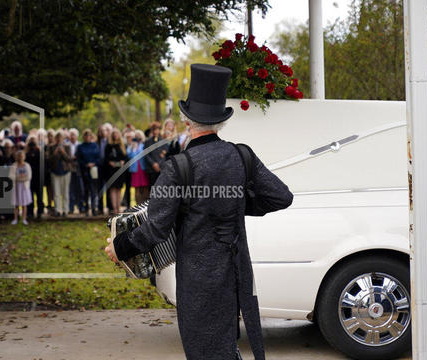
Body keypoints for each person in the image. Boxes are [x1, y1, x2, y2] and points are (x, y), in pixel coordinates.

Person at [106, 64, 294, 360]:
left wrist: (120, 246)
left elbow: (156, 228)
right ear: (220, 120)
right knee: (225, 347)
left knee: (205, 350)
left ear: (186, 121)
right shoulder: (242, 155)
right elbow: (281, 197)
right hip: (236, 273)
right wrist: (235, 205)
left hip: (198, 279)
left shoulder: (178, 167)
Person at [75, 129, 100, 216]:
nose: (87, 137)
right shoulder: (80, 147)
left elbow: (98, 157)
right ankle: (86, 209)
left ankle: (93, 209)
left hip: (94, 170)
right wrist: (86, 164)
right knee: (85, 191)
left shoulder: (95, 146)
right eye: (85, 136)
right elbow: (78, 159)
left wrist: (93, 163)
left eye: (88, 135)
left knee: (93, 190)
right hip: (84, 170)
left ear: (91, 136)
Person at [48, 130, 71, 217]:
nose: (58, 140)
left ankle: (65, 210)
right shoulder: (51, 147)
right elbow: (49, 160)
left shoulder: (67, 146)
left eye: (60, 138)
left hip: (65, 172)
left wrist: (63, 152)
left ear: (62, 139)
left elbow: (69, 160)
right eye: (57, 138)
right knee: (56, 193)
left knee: (65, 192)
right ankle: (57, 210)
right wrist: (55, 153)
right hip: (55, 172)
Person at [104, 129, 126, 214]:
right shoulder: (108, 146)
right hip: (111, 170)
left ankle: (119, 207)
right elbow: (106, 158)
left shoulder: (122, 145)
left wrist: (123, 161)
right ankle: (114, 209)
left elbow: (125, 156)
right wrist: (110, 162)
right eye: (114, 133)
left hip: (120, 170)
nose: (115, 135)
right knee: (113, 189)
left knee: (119, 189)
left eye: (117, 133)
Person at [143, 121, 167, 191]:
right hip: (151, 168)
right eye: (154, 129)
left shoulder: (163, 141)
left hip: (161, 167)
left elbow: (164, 153)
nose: (156, 131)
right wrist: (153, 164)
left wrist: (159, 164)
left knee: (161, 187)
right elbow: (146, 155)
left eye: (157, 129)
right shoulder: (148, 141)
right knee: (152, 186)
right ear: (152, 130)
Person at [127, 130, 149, 204]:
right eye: (136, 136)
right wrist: (133, 147)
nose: (137, 138)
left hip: (143, 168)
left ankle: (145, 203)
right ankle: (138, 204)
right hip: (135, 169)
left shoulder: (143, 145)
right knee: (137, 188)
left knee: (145, 187)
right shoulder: (131, 146)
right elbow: (129, 155)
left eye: (139, 136)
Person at [10, 150, 32, 225]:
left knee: (24, 204)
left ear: (24, 157)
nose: (20, 158)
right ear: (16, 157)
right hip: (16, 187)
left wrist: (20, 178)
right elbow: (11, 176)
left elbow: (29, 176)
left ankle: (24, 219)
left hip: (24, 187)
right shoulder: (14, 165)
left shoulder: (27, 165)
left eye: (21, 156)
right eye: (18, 156)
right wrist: (19, 177)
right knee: (16, 204)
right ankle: (15, 219)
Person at [25, 136, 44, 219]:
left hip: (38, 177)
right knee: (30, 196)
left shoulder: (40, 152)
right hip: (29, 178)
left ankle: (40, 212)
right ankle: (30, 212)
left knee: (39, 196)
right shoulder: (26, 153)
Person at [67, 128, 84, 214]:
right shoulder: (66, 145)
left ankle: (81, 207)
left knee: (80, 189)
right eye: (71, 134)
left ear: (77, 136)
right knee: (70, 190)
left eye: (74, 135)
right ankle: (71, 207)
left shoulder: (80, 145)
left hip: (78, 170)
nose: (72, 136)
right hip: (69, 170)